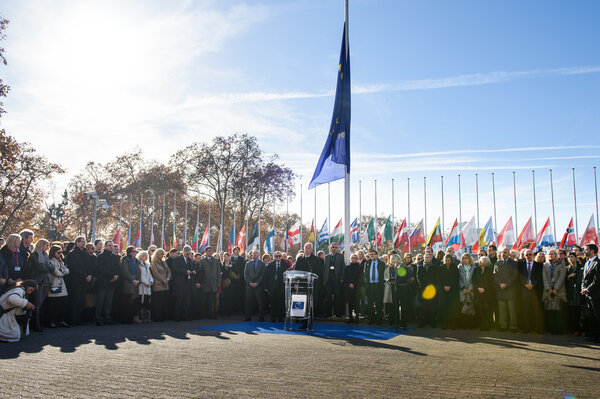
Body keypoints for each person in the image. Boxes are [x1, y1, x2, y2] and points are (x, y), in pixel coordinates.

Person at [65, 236, 92, 326]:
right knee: (75, 300)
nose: (84, 243)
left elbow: (89, 265)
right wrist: (84, 275)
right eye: (82, 241)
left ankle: (78, 319)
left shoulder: (86, 253)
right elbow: (73, 267)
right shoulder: (72, 254)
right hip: (76, 280)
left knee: (82, 300)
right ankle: (72, 319)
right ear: (77, 242)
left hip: (85, 279)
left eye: (84, 241)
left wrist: (89, 275)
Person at [28, 239, 54, 332]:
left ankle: (40, 322)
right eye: (46, 245)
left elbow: (52, 267)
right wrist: (47, 267)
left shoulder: (46, 255)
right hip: (38, 281)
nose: (47, 247)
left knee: (42, 303)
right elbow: (40, 267)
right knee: (37, 303)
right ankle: (36, 324)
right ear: (41, 245)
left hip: (46, 281)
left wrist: (47, 267)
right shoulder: (35, 255)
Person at [518, 249, 544, 334]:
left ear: (533, 255)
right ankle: (527, 327)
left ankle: (538, 328)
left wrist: (533, 284)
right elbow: (519, 276)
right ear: (524, 256)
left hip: (535, 290)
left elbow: (539, 277)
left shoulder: (538, 265)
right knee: (526, 310)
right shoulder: (521, 265)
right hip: (524, 290)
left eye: (530, 254)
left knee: (536, 310)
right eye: (527, 255)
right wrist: (525, 284)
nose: (528, 256)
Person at [94, 241, 120, 326]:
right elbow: (101, 269)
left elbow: (117, 268)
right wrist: (111, 276)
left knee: (109, 302)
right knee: (100, 301)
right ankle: (98, 318)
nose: (111, 247)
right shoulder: (100, 257)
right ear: (105, 246)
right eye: (109, 246)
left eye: (112, 246)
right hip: (103, 281)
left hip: (113, 282)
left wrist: (115, 276)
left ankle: (107, 317)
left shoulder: (115, 257)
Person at [542, 249, 567, 334]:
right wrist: (548, 288)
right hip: (548, 291)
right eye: (549, 254)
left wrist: (556, 288)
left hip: (558, 290)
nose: (551, 255)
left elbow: (562, 277)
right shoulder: (545, 265)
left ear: (556, 255)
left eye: (552, 254)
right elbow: (544, 278)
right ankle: (551, 328)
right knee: (550, 310)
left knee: (558, 311)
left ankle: (558, 329)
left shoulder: (561, 264)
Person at [494, 248, 519, 332]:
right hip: (500, 289)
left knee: (512, 310)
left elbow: (515, 275)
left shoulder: (514, 263)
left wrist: (506, 284)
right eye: (502, 252)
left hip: (510, 289)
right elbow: (495, 276)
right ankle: (503, 326)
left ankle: (513, 326)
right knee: (502, 310)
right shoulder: (497, 263)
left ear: (509, 254)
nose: (503, 254)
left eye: (505, 252)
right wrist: (500, 283)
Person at [46, 245, 70, 328]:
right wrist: (62, 272)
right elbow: (56, 272)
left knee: (63, 303)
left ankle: (61, 320)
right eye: (58, 252)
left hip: (61, 284)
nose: (60, 254)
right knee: (53, 303)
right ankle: (51, 321)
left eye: (61, 252)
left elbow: (67, 270)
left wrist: (62, 272)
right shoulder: (50, 261)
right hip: (54, 284)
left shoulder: (60, 261)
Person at [581, 243, 599, 342]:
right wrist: (583, 287)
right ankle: (593, 335)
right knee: (591, 316)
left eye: (586, 249)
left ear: (592, 251)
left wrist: (588, 289)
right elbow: (584, 279)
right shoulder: (587, 262)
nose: (584, 251)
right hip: (587, 294)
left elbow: (597, 280)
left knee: (597, 316)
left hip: (595, 295)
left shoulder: (597, 263)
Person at [417, 253, 440, 327]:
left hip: (431, 289)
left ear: (430, 258)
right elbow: (419, 277)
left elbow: (436, 278)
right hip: (423, 289)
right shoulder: (420, 267)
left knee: (432, 306)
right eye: (425, 257)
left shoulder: (434, 267)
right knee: (423, 306)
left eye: (428, 257)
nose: (426, 259)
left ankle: (432, 322)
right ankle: (422, 322)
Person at [171, 246, 194, 321]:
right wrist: (185, 272)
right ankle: (177, 316)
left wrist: (193, 271)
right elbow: (175, 270)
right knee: (179, 300)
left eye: (189, 252)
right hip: (180, 283)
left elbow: (191, 268)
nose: (188, 254)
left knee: (187, 300)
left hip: (188, 282)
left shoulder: (189, 260)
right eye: (187, 252)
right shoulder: (177, 259)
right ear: (183, 252)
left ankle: (185, 315)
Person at [119, 246, 141, 323]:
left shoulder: (137, 261)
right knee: (127, 301)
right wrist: (133, 280)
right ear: (130, 252)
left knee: (133, 301)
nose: (135, 253)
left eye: (136, 252)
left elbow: (139, 272)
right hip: (128, 282)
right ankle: (126, 319)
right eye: (134, 251)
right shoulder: (125, 260)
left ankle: (132, 318)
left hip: (136, 282)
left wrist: (138, 280)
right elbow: (125, 271)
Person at [264, 251, 288, 322]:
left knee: (281, 303)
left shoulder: (285, 264)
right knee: (272, 302)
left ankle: (280, 317)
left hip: (281, 286)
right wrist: (265, 287)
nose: (278, 257)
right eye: (276, 256)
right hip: (272, 286)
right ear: (274, 257)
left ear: (281, 256)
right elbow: (266, 276)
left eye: (279, 256)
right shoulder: (270, 264)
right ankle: (272, 317)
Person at [323, 243, 345, 318]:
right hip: (328, 278)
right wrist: (324, 280)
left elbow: (343, 268)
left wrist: (342, 278)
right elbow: (324, 269)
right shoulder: (327, 257)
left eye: (336, 247)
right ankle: (328, 313)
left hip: (337, 278)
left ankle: (338, 313)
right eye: (333, 247)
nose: (334, 248)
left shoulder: (340, 256)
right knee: (328, 295)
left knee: (337, 296)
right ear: (330, 248)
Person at [364, 249, 385, 325]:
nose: (371, 255)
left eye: (373, 254)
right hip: (370, 286)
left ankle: (379, 319)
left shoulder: (382, 264)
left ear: (377, 255)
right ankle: (371, 319)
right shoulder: (367, 263)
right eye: (370, 254)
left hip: (378, 286)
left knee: (378, 303)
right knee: (370, 303)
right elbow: (365, 275)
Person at [473, 256, 494, 330]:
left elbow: (491, 281)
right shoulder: (476, 270)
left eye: (481, 261)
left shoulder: (489, 270)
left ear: (485, 262)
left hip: (487, 293)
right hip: (478, 293)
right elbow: (474, 280)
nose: (479, 262)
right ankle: (482, 325)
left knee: (487, 309)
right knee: (480, 309)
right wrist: (478, 287)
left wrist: (484, 288)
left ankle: (487, 325)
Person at [565, 251, 585, 335]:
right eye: (569, 257)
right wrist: (568, 276)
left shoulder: (581, 267)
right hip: (570, 293)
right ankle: (575, 329)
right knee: (573, 312)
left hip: (579, 292)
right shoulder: (567, 268)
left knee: (581, 312)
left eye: (572, 256)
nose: (570, 258)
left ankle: (583, 330)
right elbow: (564, 280)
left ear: (576, 258)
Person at [438, 254, 460, 329]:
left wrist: (450, 286)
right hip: (443, 291)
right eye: (446, 260)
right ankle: (444, 323)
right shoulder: (441, 268)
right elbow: (439, 279)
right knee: (444, 307)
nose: (447, 262)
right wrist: (444, 286)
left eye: (449, 260)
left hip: (452, 290)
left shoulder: (454, 268)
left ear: (451, 260)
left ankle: (452, 324)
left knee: (452, 307)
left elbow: (456, 278)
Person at [244, 249, 265, 322]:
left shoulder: (262, 263)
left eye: (256, 253)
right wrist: (249, 283)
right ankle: (248, 316)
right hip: (249, 285)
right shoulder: (248, 263)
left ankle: (261, 317)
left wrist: (257, 283)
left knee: (260, 302)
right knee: (248, 301)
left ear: (258, 255)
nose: (254, 255)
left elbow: (262, 275)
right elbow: (246, 274)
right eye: (253, 253)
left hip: (258, 285)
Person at [150, 248, 171, 322]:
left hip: (165, 283)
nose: (162, 255)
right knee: (157, 302)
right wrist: (163, 280)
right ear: (157, 254)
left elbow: (168, 271)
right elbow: (155, 273)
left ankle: (163, 316)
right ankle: (157, 317)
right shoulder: (154, 262)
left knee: (163, 301)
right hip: (158, 284)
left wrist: (168, 279)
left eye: (163, 254)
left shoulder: (164, 262)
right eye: (161, 254)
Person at [200, 246, 221, 319]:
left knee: (212, 300)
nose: (210, 252)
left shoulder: (216, 261)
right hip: (205, 283)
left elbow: (218, 272)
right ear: (206, 252)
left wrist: (218, 283)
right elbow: (200, 273)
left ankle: (212, 314)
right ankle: (203, 314)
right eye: (209, 251)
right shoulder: (202, 261)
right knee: (204, 299)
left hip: (213, 283)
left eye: (211, 251)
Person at [458, 253, 477, 328]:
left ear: (470, 259)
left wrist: (470, 288)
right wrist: (463, 288)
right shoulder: (460, 267)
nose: (465, 259)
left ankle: (471, 324)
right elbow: (459, 279)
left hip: (471, 289)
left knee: (471, 306)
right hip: (463, 290)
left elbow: (474, 279)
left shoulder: (474, 267)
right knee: (463, 306)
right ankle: (463, 324)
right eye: (463, 258)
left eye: (466, 258)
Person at [136, 250, 153, 322]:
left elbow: (149, 275)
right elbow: (141, 276)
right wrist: (146, 282)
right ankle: (141, 317)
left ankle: (147, 317)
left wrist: (151, 281)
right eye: (144, 255)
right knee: (141, 301)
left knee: (147, 301)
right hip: (142, 286)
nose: (145, 257)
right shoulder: (139, 265)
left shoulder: (147, 265)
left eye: (146, 256)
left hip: (148, 286)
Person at [343, 253, 361, 323]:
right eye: (353, 258)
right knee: (350, 303)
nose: (354, 259)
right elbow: (345, 277)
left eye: (356, 258)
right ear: (351, 259)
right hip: (349, 288)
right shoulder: (347, 267)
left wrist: (354, 284)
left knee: (356, 303)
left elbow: (360, 278)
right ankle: (350, 317)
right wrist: (349, 284)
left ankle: (357, 318)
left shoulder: (360, 267)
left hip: (357, 288)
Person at [230, 246, 246, 315]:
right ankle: (233, 309)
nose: (236, 251)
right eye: (235, 250)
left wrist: (239, 275)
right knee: (232, 295)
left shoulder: (242, 259)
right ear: (233, 251)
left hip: (239, 280)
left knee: (239, 295)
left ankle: (240, 309)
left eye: (238, 250)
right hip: (232, 280)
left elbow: (243, 268)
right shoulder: (231, 258)